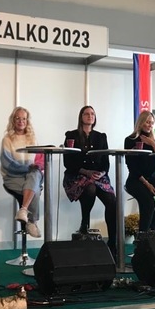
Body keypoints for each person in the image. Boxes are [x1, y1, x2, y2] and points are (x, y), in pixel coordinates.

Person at [63, 106, 117, 256]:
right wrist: (86, 172)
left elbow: (106, 162)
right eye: (86, 114)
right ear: (81, 117)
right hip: (77, 175)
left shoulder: (101, 137)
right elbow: (68, 162)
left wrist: (101, 173)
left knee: (112, 200)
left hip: (98, 176)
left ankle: (113, 242)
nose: (90, 116)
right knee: (90, 188)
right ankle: (84, 224)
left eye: (92, 114)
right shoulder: (71, 135)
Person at [124, 111, 155, 236]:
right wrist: (147, 184)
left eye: (152, 123)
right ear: (141, 123)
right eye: (147, 122)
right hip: (136, 179)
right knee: (149, 202)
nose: (149, 125)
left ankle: (153, 222)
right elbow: (131, 166)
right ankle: (143, 235)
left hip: (152, 177)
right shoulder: (130, 140)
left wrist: (153, 144)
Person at [0, 107, 43, 238]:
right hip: (13, 177)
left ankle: (23, 211)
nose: (21, 121)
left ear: (27, 121)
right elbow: (7, 163)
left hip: (30, 176)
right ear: (13, 120)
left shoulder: (32, 138)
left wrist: (36, 167)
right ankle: (32, 222)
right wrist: (28, 168)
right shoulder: (7, 139)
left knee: (35, 174)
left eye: (24, 118)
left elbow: (40, 159)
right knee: (35, 190)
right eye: (18, 118)